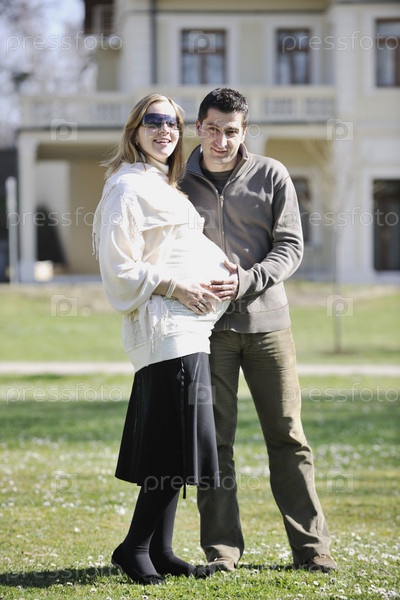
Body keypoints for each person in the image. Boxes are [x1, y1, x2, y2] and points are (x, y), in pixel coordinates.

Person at [180, 87, 337, 574]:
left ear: (244, 131)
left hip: (269, 326)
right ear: (199, 128)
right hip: (207, 331)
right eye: (212, 129)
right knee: (214, 442)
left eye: (231, 131)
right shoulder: (178, 181)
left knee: (288, 436)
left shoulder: (272, 175)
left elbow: (290, 246)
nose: (221, 140)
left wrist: (245, 281)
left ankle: (312, 549)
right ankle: (221, 551)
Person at [92, 93, 234, 585]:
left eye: (172, 122)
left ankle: (160, 549)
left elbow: (179, 244)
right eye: (152, 121)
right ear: (134, 130)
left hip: (190, 329)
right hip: (165, 330)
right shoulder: (126, 186)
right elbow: (119, 268)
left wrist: (221, 266)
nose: (164, 130)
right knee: (176, 445)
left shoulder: (162, 185)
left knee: (171, 444)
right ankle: (132, 548)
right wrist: (176, 286)